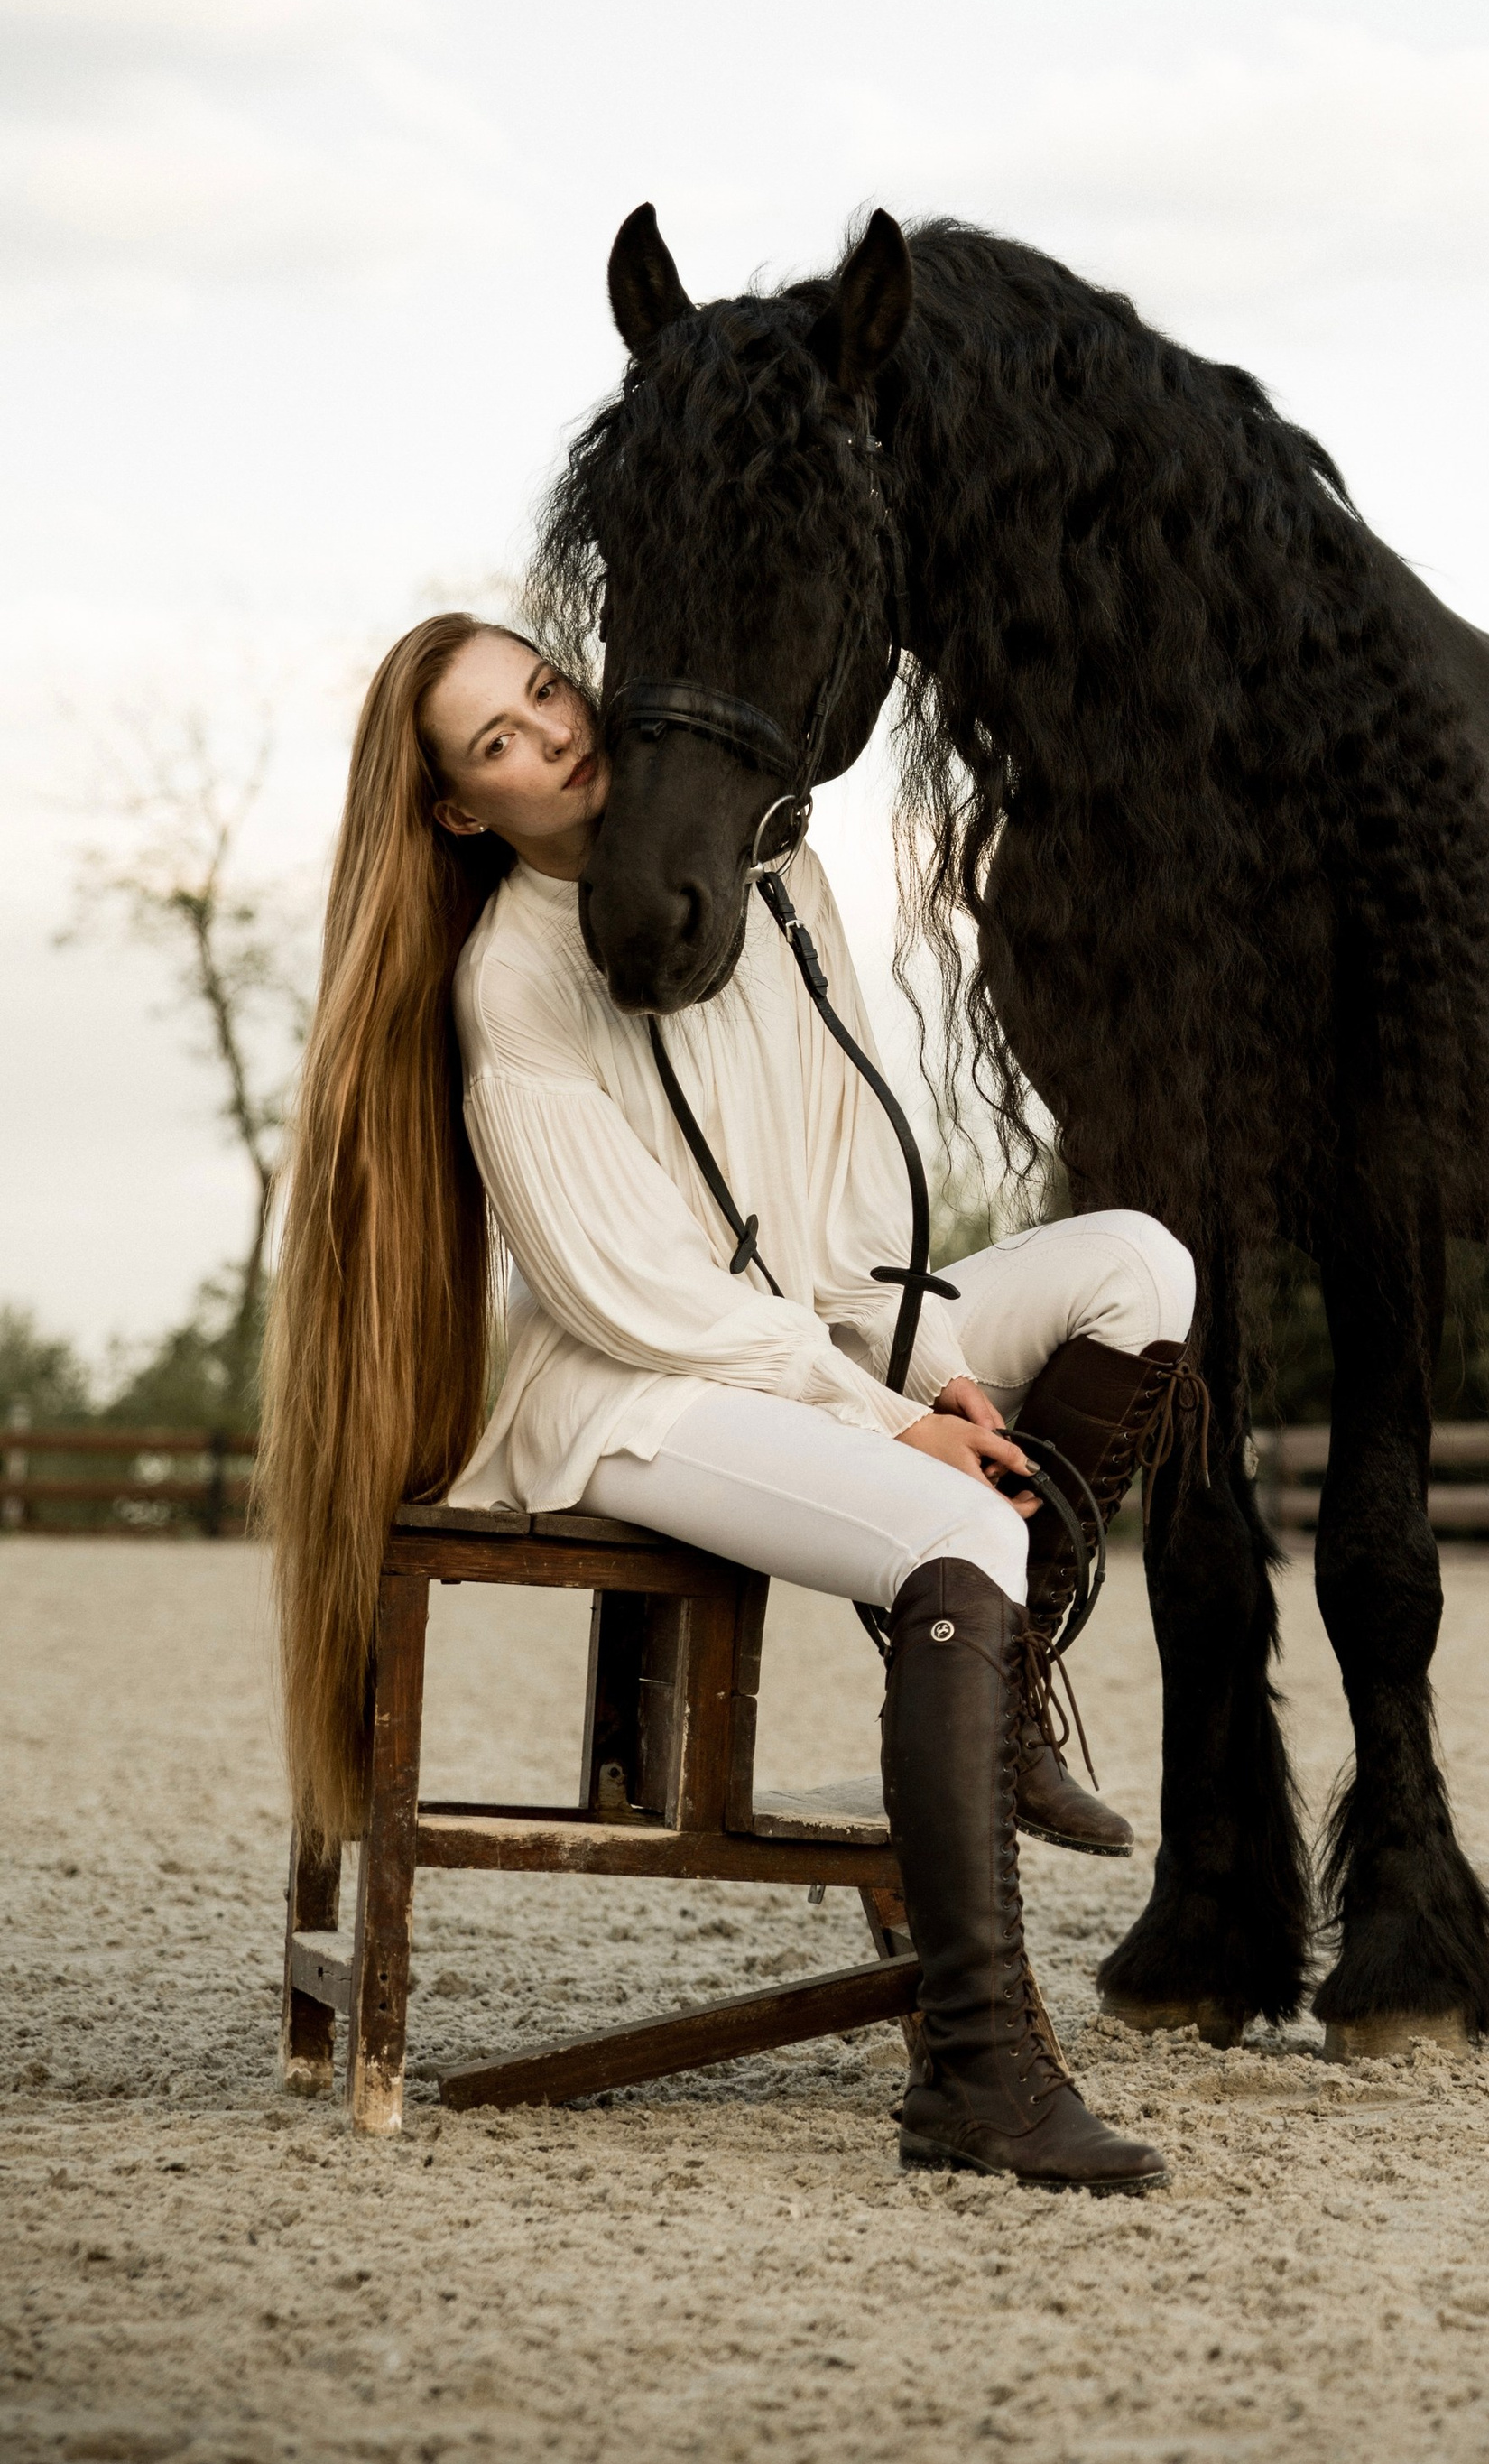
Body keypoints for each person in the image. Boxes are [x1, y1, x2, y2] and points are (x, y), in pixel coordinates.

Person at [261, 612, 1191, 2191]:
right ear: (460, 811)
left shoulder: (784, 884)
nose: (552, 736)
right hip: (639, 1395)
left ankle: (1007, 1675)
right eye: (498, 741)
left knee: (1142, 1266)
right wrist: (891, 1426)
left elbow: (843, 1238)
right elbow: (646, 1302)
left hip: (810, 1334)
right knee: (953, 1521)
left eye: (545, 691)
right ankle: (977, 2069)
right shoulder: (512, 988)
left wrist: (931, 1367)